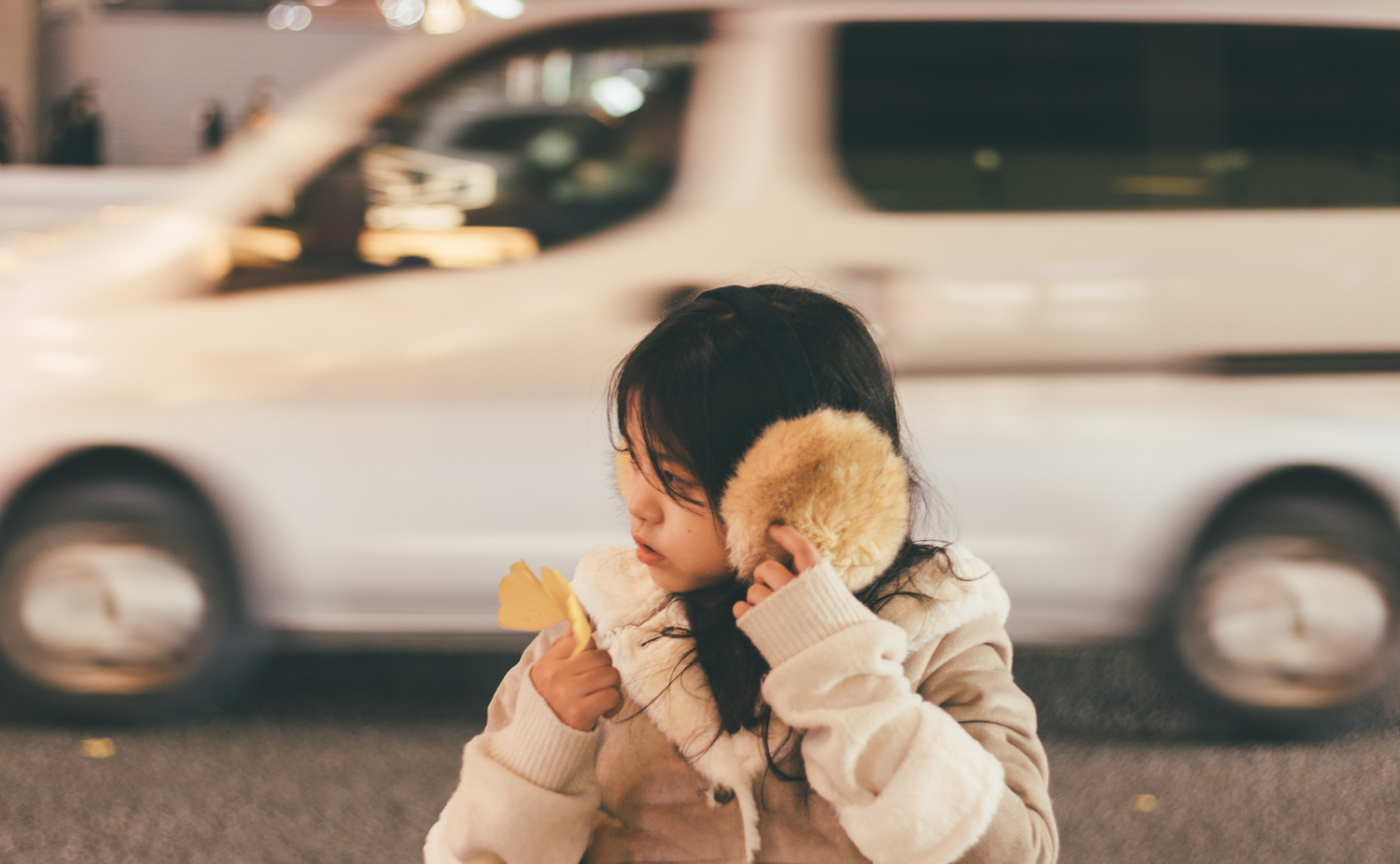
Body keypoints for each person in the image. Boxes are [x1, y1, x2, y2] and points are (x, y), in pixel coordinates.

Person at [425, 284, 1058, 864]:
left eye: (675, 479)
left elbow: (1016, 854)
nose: (638, 505)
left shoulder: (934, 630)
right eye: (633, 460)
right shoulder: (601, 627)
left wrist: (848, 685)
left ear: (809, 486)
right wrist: (540, 747)